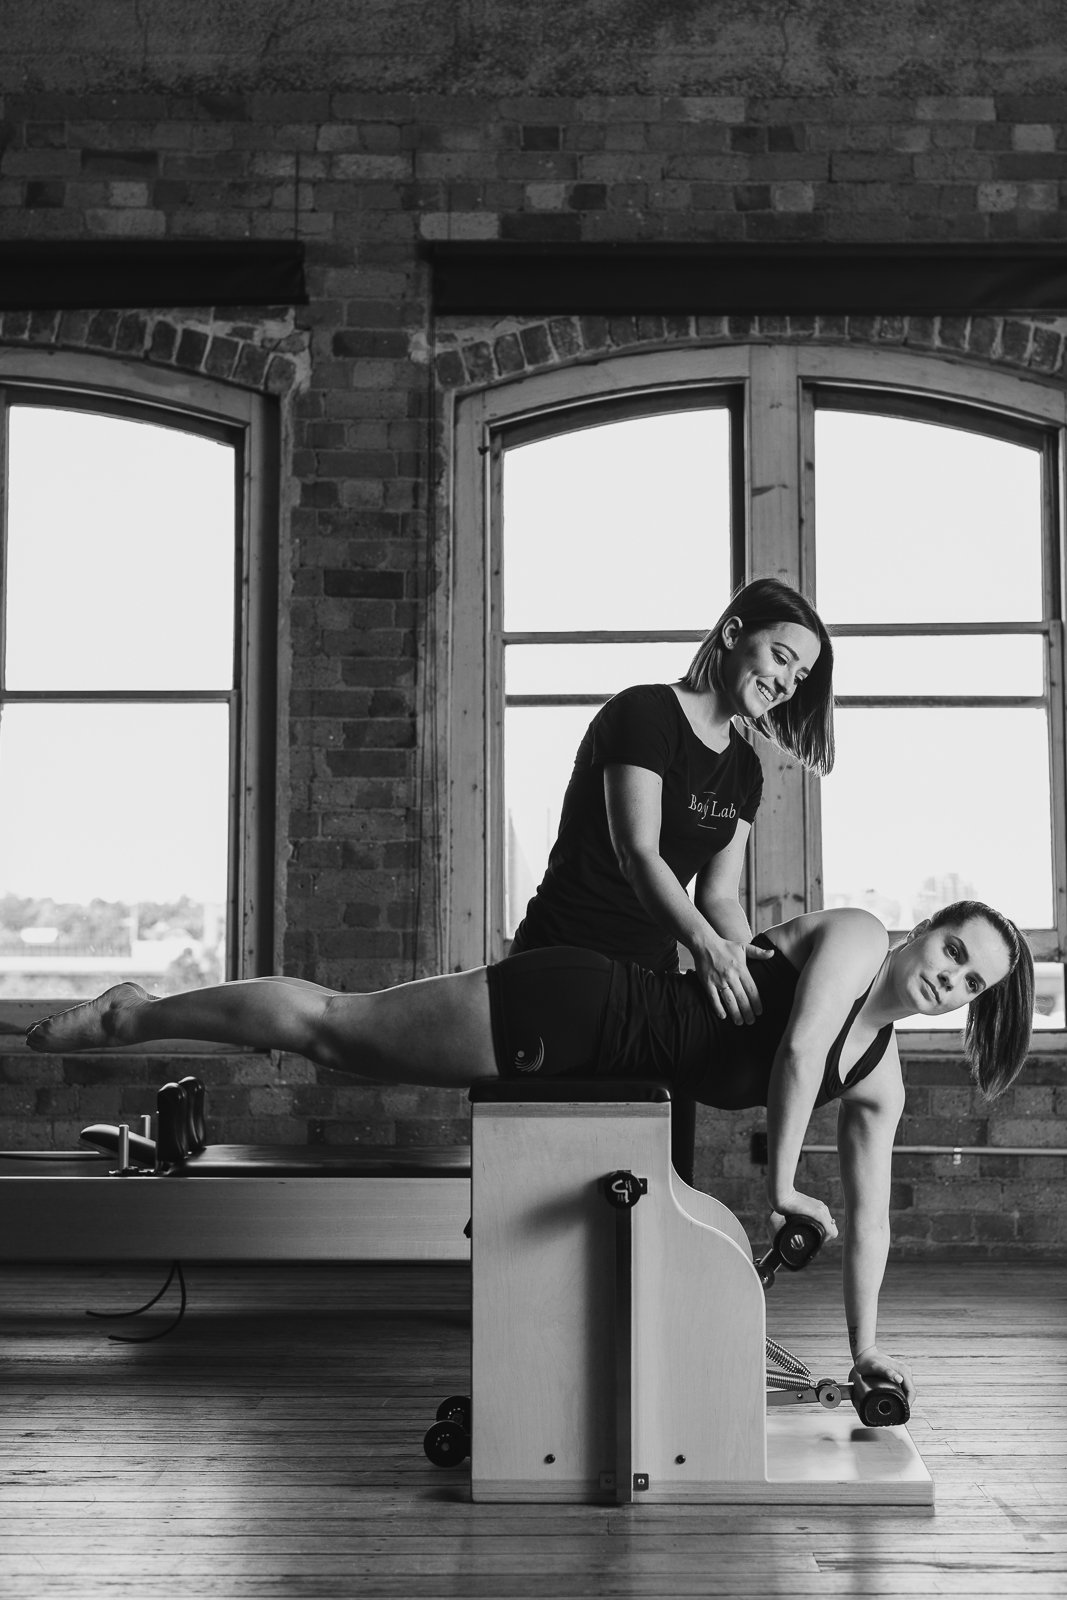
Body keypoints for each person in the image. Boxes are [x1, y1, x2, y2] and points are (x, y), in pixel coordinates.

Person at [27, 898, 1032, 1406]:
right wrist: (777, 1185)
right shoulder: (855, 936)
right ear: (919, 931)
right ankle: (136, 1013)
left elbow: (869, 1222)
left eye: (973, 982)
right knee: (338, 1032)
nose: (952, 980)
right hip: (580, 1008)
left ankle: (144, 1011)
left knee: (342, 1040)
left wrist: (862, 1351)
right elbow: (801, 1043)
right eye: (951, 951)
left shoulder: (883, 1077)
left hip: (605, 1068)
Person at [509, 576, 836, 1181]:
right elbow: (639, 855)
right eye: (781, 658)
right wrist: (708, 950)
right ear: (734, 633)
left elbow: (717, 895)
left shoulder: (745, 770)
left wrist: (753, 964)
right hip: (560, 961)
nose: (786, 684)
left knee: (645, 1176)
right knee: (545, 1172)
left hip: (646, 987)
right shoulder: (643, 713)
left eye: (799, 678)